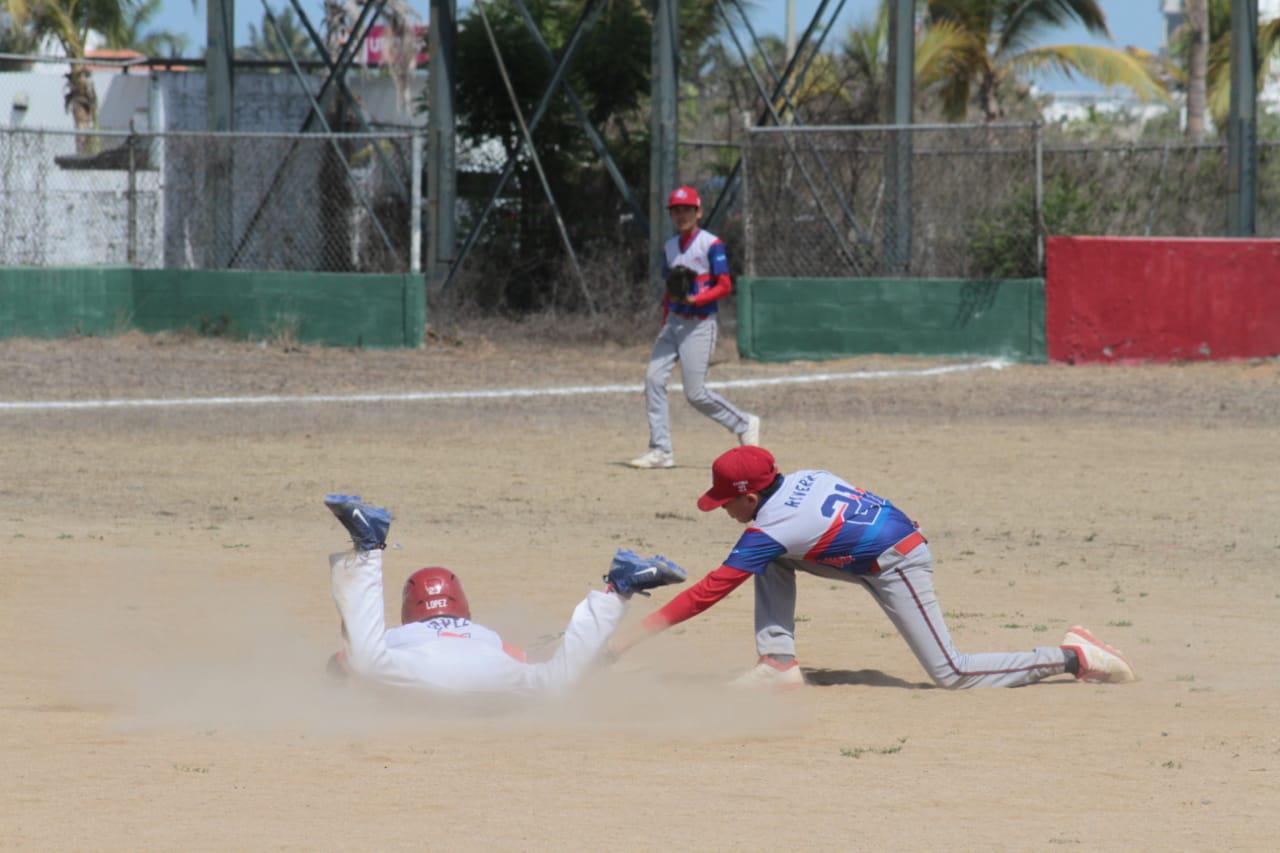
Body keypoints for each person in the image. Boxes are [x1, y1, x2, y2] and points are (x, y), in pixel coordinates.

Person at [607, 447, 1136, 690]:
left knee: (951, 673)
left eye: (726, 500)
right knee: (766, 559)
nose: (721, 507)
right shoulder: (800, 478)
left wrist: (631, 638)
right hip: (872, 545)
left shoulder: (774, 524)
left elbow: (709, 592)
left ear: (750, 493)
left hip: (896, 562)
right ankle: (778, 664)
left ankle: (1073, 657)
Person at [322, 494, 686, 695]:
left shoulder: (400, 637)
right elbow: (525, 657)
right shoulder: (485, 636)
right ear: (461, 605)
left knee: (366, 659)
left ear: (409, 608)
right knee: (554, 680)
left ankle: (369, 549)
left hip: (420, 677)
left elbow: (341, 662)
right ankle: (617, 589)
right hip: (494, 677)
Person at [628, 185, 760, 469]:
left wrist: (696, 297)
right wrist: (666, 320)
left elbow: (724, 285)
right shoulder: (670, 247)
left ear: (698, 211)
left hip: (700, 325)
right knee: (653, 379)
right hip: (674, 322)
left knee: (695, 393)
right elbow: (669, 290)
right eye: (676, 210)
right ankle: (661, 450)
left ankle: (744, 423)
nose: (681, 214)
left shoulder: (711, 245)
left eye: (687, 209)